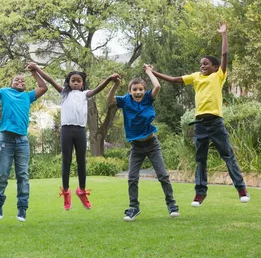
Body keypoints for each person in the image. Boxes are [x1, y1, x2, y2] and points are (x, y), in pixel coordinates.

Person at [150, 22, 249, 206]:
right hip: (200, 124)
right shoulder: (195, 77)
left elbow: (225, 55)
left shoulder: (218, 75)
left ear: (215, 66)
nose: (202, 66)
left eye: (206, 64)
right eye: (201, 64)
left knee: (227, 156)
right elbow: (174, 80)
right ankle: (200, 193)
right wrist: (151, 71)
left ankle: (241, 189)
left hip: (216, 123)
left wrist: (224, 34)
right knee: (200, 159)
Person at [27, 63, 119, 211]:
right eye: (73, 81)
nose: (75, 83)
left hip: (80, 130)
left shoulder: (85, 94)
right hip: (66, 130)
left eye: (78, 81)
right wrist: (36, 69)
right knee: (67, 161)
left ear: (82, 84)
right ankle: (66, 192)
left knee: (81, 161)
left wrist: (109, 79)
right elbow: (50, 80)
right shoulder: (64, 93)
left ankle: (81, 191)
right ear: (68, 83)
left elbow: (98, 89)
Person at [107, 66, 179, 221]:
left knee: (163, 175)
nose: (138, 92)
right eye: (134, 89)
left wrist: (149, 72)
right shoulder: (125, 100)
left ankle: (171, 204)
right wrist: (115, 84)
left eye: (140, 89)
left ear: (144, 90)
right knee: (132, 177)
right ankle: (134, 208)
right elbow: (109, 100)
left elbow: (157, 86)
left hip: (152, 144)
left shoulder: (148, 98)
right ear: (130, 91)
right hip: (136, 147)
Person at [0, 64, 48, 222]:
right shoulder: (4, 92)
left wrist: (34, 71)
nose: (20, 82)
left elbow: (43, 87)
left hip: (22, 141)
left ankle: (22, 209)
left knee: (23, 175)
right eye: (17, 80)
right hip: (6, 140)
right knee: (2, 175)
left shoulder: (28, 96)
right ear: (11, 83)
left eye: (23, 81)